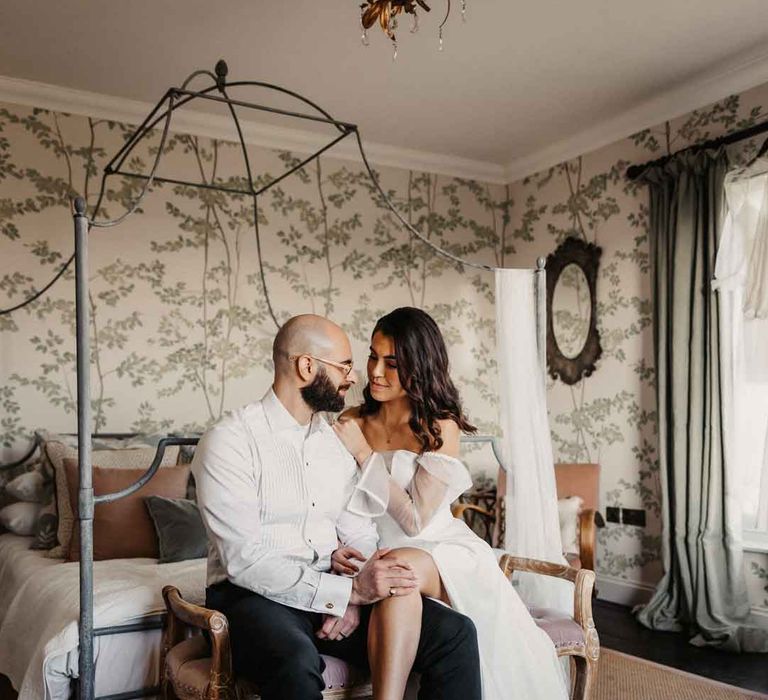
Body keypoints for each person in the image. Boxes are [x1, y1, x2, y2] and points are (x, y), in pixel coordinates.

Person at [191, 314, 482, 700]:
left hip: (331, 586)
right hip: (253, 596)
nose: (353, 376)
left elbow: (359, 528)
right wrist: (343, 594)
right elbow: (243, 560)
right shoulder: (229, 441)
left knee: (455, 633)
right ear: (307, 366)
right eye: (345, 365)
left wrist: (355, 589)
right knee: (294, 659)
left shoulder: (334, 441)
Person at [332, 307, 569, 700]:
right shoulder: (352, 419)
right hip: (373, 549)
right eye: (373, 355)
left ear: (420, 366)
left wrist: (364, 456)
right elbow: (332, 498)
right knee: (397, 580)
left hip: (438, 549)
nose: (375, 371)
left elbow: (415, 520)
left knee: (398, 566)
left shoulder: (440, 426)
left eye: (392, 363)